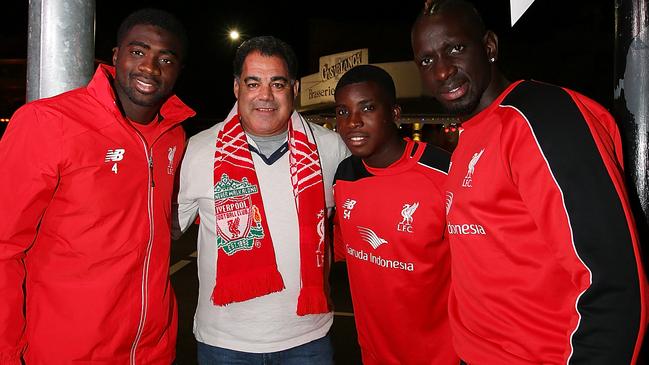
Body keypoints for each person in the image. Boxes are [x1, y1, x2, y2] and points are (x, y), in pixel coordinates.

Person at [411, 1, 647, 364]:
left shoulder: (542, 117)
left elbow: (613, 283)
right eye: (427, 61)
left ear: (489, 47)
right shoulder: (469, 136)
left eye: (455, 49)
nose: (442, 71)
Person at [0, 8, 194, 364]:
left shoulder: (174, 137)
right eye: (138, 52)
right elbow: (4, 247)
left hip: (151, 352)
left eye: (165, 59)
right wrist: (7, 353)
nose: (150, 68)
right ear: (116, 57)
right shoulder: (47, 122)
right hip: (65, 353)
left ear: (178, 71)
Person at [174, 35, 349, 364]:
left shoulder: (331, 148)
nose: (265, 96)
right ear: (237, 88)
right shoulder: (198, 150)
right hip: (224, 342)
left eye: (277, 83)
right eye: (253, 83)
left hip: (308, 338)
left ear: (294, 89)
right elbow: (164, 228)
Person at [331, 64, 458, 364]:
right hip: (372, 354)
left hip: (442, 357)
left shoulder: (443, 173)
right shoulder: (344, 177)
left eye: (368, 108)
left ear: (396, 115)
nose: (353, 122)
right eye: (342, 112)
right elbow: (336, 247)